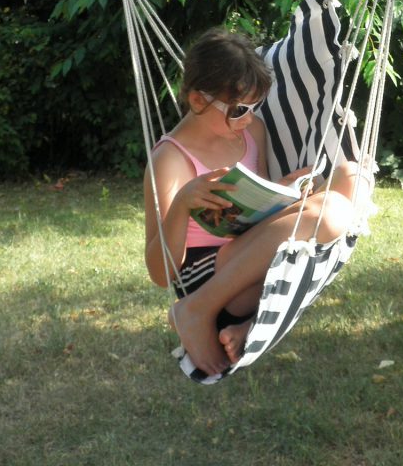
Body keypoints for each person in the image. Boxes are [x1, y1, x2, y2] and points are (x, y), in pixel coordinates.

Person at [143, 28, 372, 377]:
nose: (248, 118)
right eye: (239, 110)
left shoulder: (252, 133)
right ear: (198, 101)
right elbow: (162, 274)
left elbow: (256, 211)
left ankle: (250, 327)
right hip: (207, 278)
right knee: (331, 214)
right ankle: (197, 310)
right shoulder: (171, 160)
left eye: (255, 108)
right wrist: (181, 207)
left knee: (353, 177)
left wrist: (283, 191)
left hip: (250, 253)